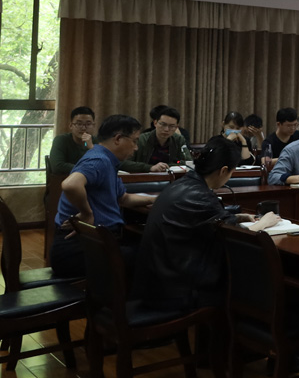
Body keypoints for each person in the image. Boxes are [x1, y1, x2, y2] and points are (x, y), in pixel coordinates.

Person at [131, 136, 280, 311]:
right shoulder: (201, 196)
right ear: (224, 170)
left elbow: (211, 221)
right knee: (249, 275)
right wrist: (263, 223)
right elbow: (233, 236)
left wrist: (239, 217)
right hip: (176, 291)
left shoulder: (183, 183)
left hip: (156, 282)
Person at [50, 114, 157, 278]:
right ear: (118, 139)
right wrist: (87, 213)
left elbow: (123, 198)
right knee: (153, 258)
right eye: (134, 141)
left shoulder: (107, 160)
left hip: (94, 242)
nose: (136, 148)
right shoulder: (99, 160)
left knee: (147, 249)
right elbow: (70, 184)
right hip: (77, 249)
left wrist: (155, 200)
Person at [122, 105, 193, 172]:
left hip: (171, 177)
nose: (166, 129)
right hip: (145, 177)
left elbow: (187, 162)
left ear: (177, 127)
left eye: (172, 126)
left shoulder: (179, 139)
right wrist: (150, 167)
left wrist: (167, 166)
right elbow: (123, 163)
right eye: (163, 124)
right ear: (155, 123)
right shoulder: (141, 139)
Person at [48, 106, 95, 175]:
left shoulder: (98, 141)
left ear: (93, 126)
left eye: (88, 124)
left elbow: (105, 165)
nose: (83, 128)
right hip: (66, 179)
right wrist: (86, 169)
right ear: (71, 126)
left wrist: (91, 147)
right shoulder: (61, 140)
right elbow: (57, 166)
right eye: (79, 124)